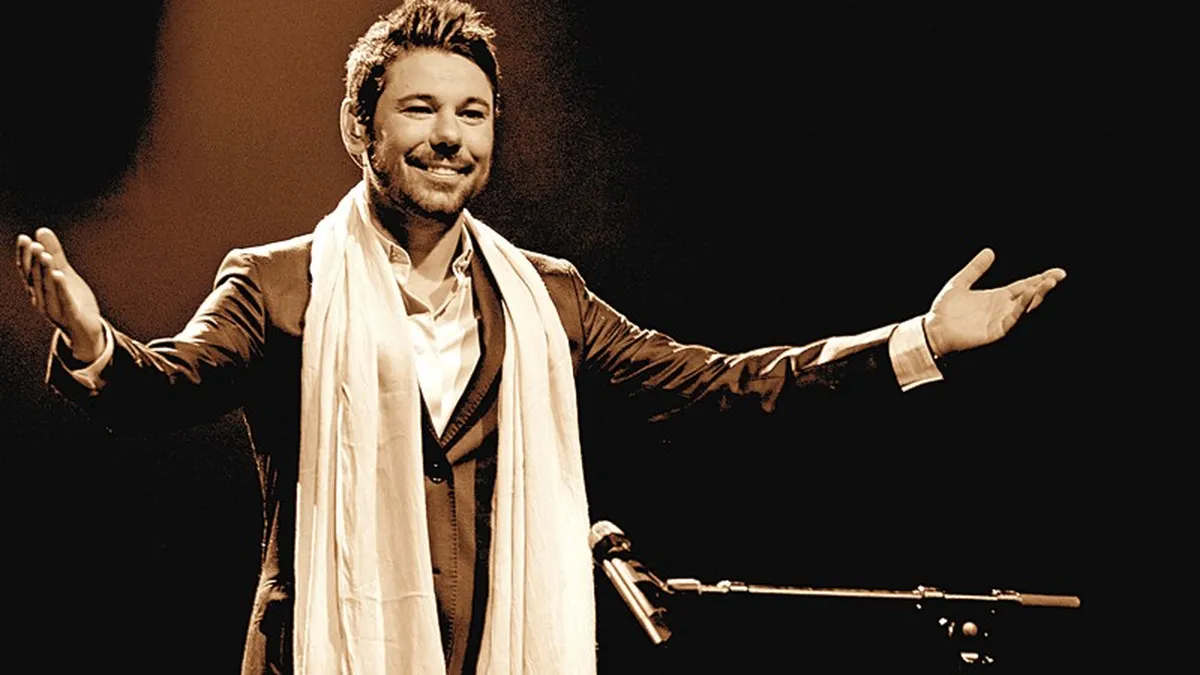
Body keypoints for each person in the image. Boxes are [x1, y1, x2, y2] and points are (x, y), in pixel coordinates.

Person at [13, 1, 1066, 673]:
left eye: (472, 114)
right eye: (420, 109)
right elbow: (167, 385)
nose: (448, 136)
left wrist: (917, 340)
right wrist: (96, 340)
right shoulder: (282, 282)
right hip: (325, 654)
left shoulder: (547, 298)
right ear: (361, 128)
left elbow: (719, 386)